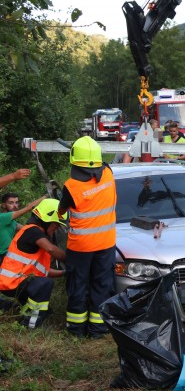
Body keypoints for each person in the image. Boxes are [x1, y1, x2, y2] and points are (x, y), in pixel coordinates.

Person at [57, 136, 117, 338]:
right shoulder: (108, 174)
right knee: (102, 284)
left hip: (80, 247)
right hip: (106, 243)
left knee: (78, 285)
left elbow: (61, 212)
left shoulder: (71, 186)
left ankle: (76, 329)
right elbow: (102, 165)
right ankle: (98, 329)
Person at [0, 198, 67, 329]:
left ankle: (24, 312)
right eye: (56, 224)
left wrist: (65, 272)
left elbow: (44, 271)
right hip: (12, 282)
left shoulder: (35, 234)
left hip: (16, 282)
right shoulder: (33, 231)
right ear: (47, 219)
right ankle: (29, 324)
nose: (57, 227)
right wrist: (72, 260)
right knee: (45, 284)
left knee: (47, 310)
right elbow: (51, 249)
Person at [0, 193, 47, 264]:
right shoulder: (3, 217)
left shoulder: (12, 222)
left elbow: (28, 230)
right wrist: (46, 196)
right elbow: (29, 208)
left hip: (9, 254)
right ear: (3, 205)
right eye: (11, 203)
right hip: (3, 256)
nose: (15, 206)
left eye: (16, 202)